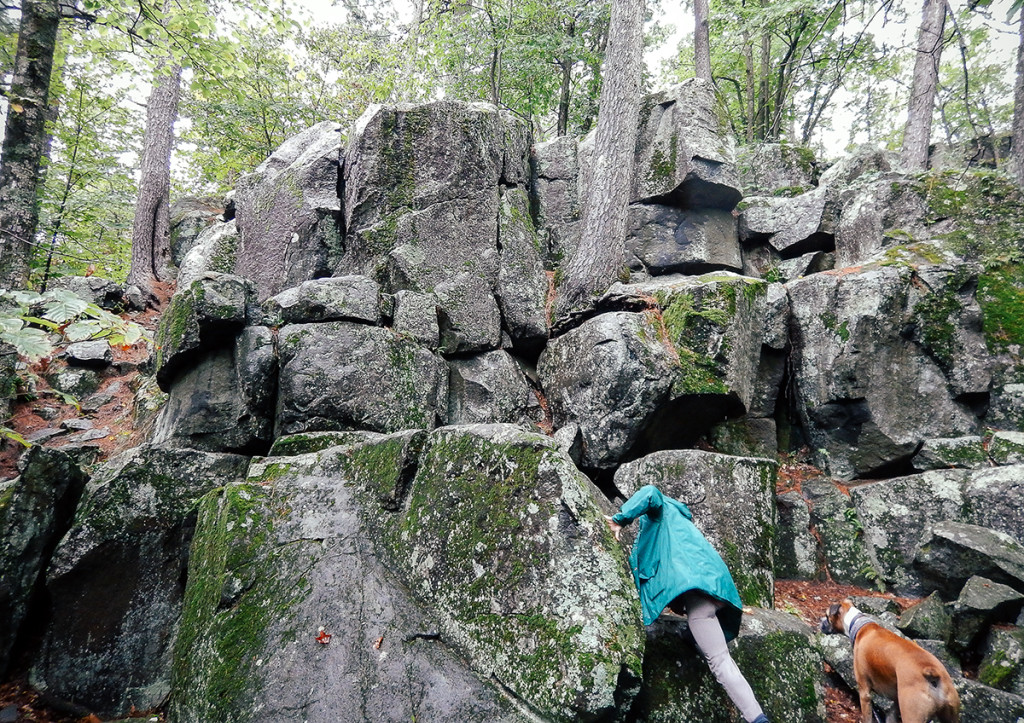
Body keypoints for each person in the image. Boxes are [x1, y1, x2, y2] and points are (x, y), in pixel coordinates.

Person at [607, 484, 770, 723]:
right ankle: (692, 639)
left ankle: (757, 719)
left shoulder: (660, 511)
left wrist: (620, 519)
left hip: (698, 596)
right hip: (716, 588)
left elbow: (650, 492)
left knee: (720, 661)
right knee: (703, 640)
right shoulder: (681, 523)